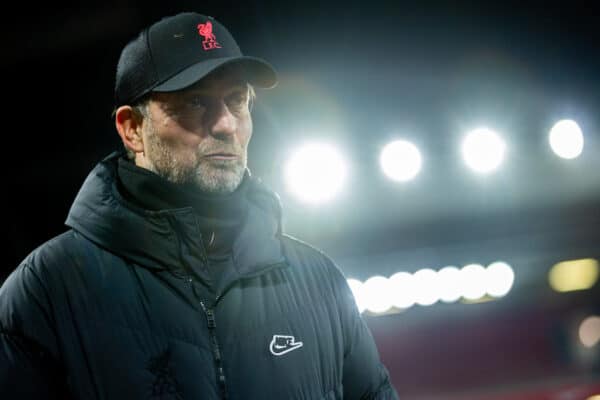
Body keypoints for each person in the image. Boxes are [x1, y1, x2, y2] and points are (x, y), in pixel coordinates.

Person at [0, 11, 398, 399]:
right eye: (195, 103)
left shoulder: (320, 283)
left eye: (237, 101)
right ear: (132, 129)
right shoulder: (48, 289)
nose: (226, 124)